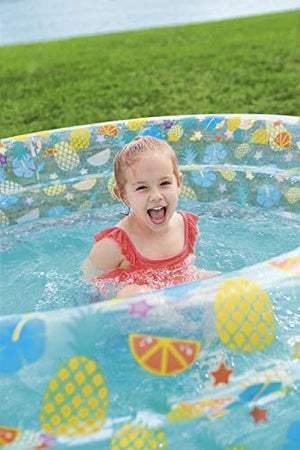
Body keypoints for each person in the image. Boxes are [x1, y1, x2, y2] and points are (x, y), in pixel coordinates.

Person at [81, 135, 218, 298]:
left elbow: (188, 269)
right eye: (142, 188)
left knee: (217, 280)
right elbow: (87, 285)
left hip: (179, 291)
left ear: (179, 183)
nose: (156, 196)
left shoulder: (188, 227)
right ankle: (182, 323)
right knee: (137, 294)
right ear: (123, 195)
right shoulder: (113, 245)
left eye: (164, 183)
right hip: (141, 311)